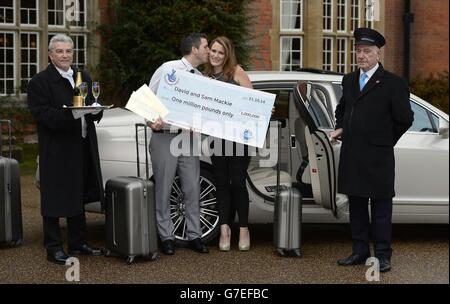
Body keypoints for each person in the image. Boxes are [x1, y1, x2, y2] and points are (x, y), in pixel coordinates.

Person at [330, 28, 414, 272]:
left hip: (379, 156)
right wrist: (340, 128)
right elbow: (343, 110)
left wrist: (386, 140)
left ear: (378, 53)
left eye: (366, 51)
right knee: (356, 206)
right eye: (358, 51)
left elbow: (405, 118)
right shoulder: (349, 80)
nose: (361, 56)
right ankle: (359, 251)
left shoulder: (393, 83)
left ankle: (383, 255)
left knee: (381, 210)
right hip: (353, 155)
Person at [27, 34, 105, 265]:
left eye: (68, 51)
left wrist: (97, 109)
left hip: (81, 146)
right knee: (54, 198)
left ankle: (78, 242)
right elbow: (42, 115)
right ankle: (53, 248)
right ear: (50, 55)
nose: (64, 55)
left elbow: (92, 105)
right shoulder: (39, 82)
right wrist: (70, 114)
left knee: (77, 194)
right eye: (59, 51)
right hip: (56, 150)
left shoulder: (83, 76)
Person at [148, 33, 210, 255]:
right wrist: (151, 120)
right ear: (194, 49)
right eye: (205, 46)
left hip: (188, 138)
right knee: (163, 187)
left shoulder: (200, 77)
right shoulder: (168, 69)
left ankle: (194, 235)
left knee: (192, 188)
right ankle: (166, 236)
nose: (208, 50)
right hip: (164, 136)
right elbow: (149, 97)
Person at [204, 36, 253, 251]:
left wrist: (263, 110)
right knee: (222, 184)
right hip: (217, 138)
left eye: (220, 52)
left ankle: (243, 228)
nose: (215, 55)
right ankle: (224, 229)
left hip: (239, 138)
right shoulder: (204, 77)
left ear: (227, 55)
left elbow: (253, 102)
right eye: (213, 51)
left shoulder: (236, 72)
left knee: (238, 183)